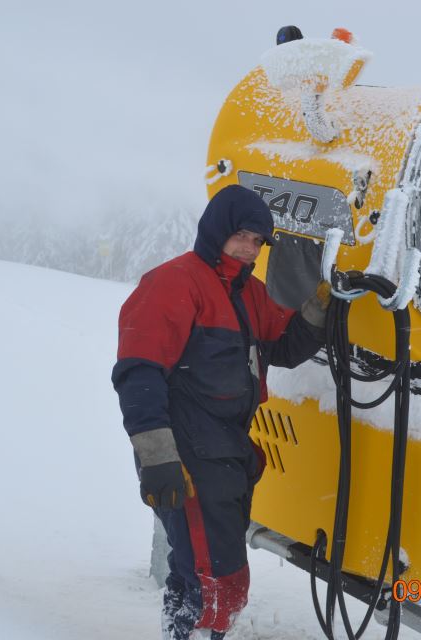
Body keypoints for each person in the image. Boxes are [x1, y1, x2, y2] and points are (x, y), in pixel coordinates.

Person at [112, 184, 330, 639]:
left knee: (193, 570)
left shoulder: (248, 292)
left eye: (257, 240)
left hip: (228, 452)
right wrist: (158, 457)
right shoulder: (172, 283)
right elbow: (139, 373)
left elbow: (283, 347)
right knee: (219, 585)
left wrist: (320, 307)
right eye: (241, 236)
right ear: (217, 230)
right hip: (187, 456)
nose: (249, 247)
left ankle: (180, 632)